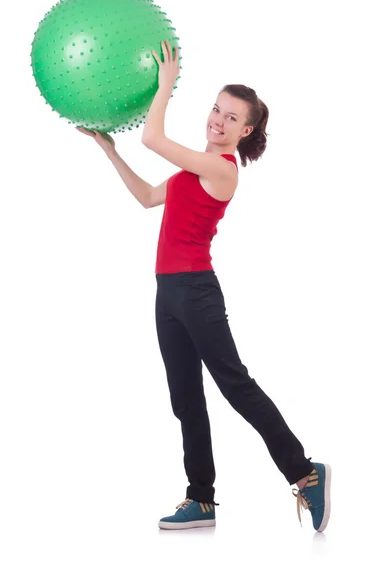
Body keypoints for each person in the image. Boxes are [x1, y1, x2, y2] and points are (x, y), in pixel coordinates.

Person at [77, 40, 331, 532]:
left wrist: (164, 85)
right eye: (216, 109)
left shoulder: (220, 169)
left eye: (230, 117)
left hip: (195, 291)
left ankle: (306, 474)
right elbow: (150, 197)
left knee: (235, 385)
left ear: (246, 130)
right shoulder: (193, 168)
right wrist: (109, 151)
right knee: (185, 398)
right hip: (167, 293)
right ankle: (202, 500)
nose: (217, 120)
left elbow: (152, 138)